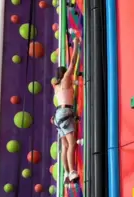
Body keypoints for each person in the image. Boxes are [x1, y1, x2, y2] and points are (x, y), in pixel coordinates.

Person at [53, 37, 80, 183]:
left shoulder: (57, 86)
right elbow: (73, 63)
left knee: (65, 146)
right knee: (72, 144)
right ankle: (72, 172)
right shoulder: (65, 79)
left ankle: (66, 172)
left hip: (58, 115)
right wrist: (76, 45)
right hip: (65, 112)